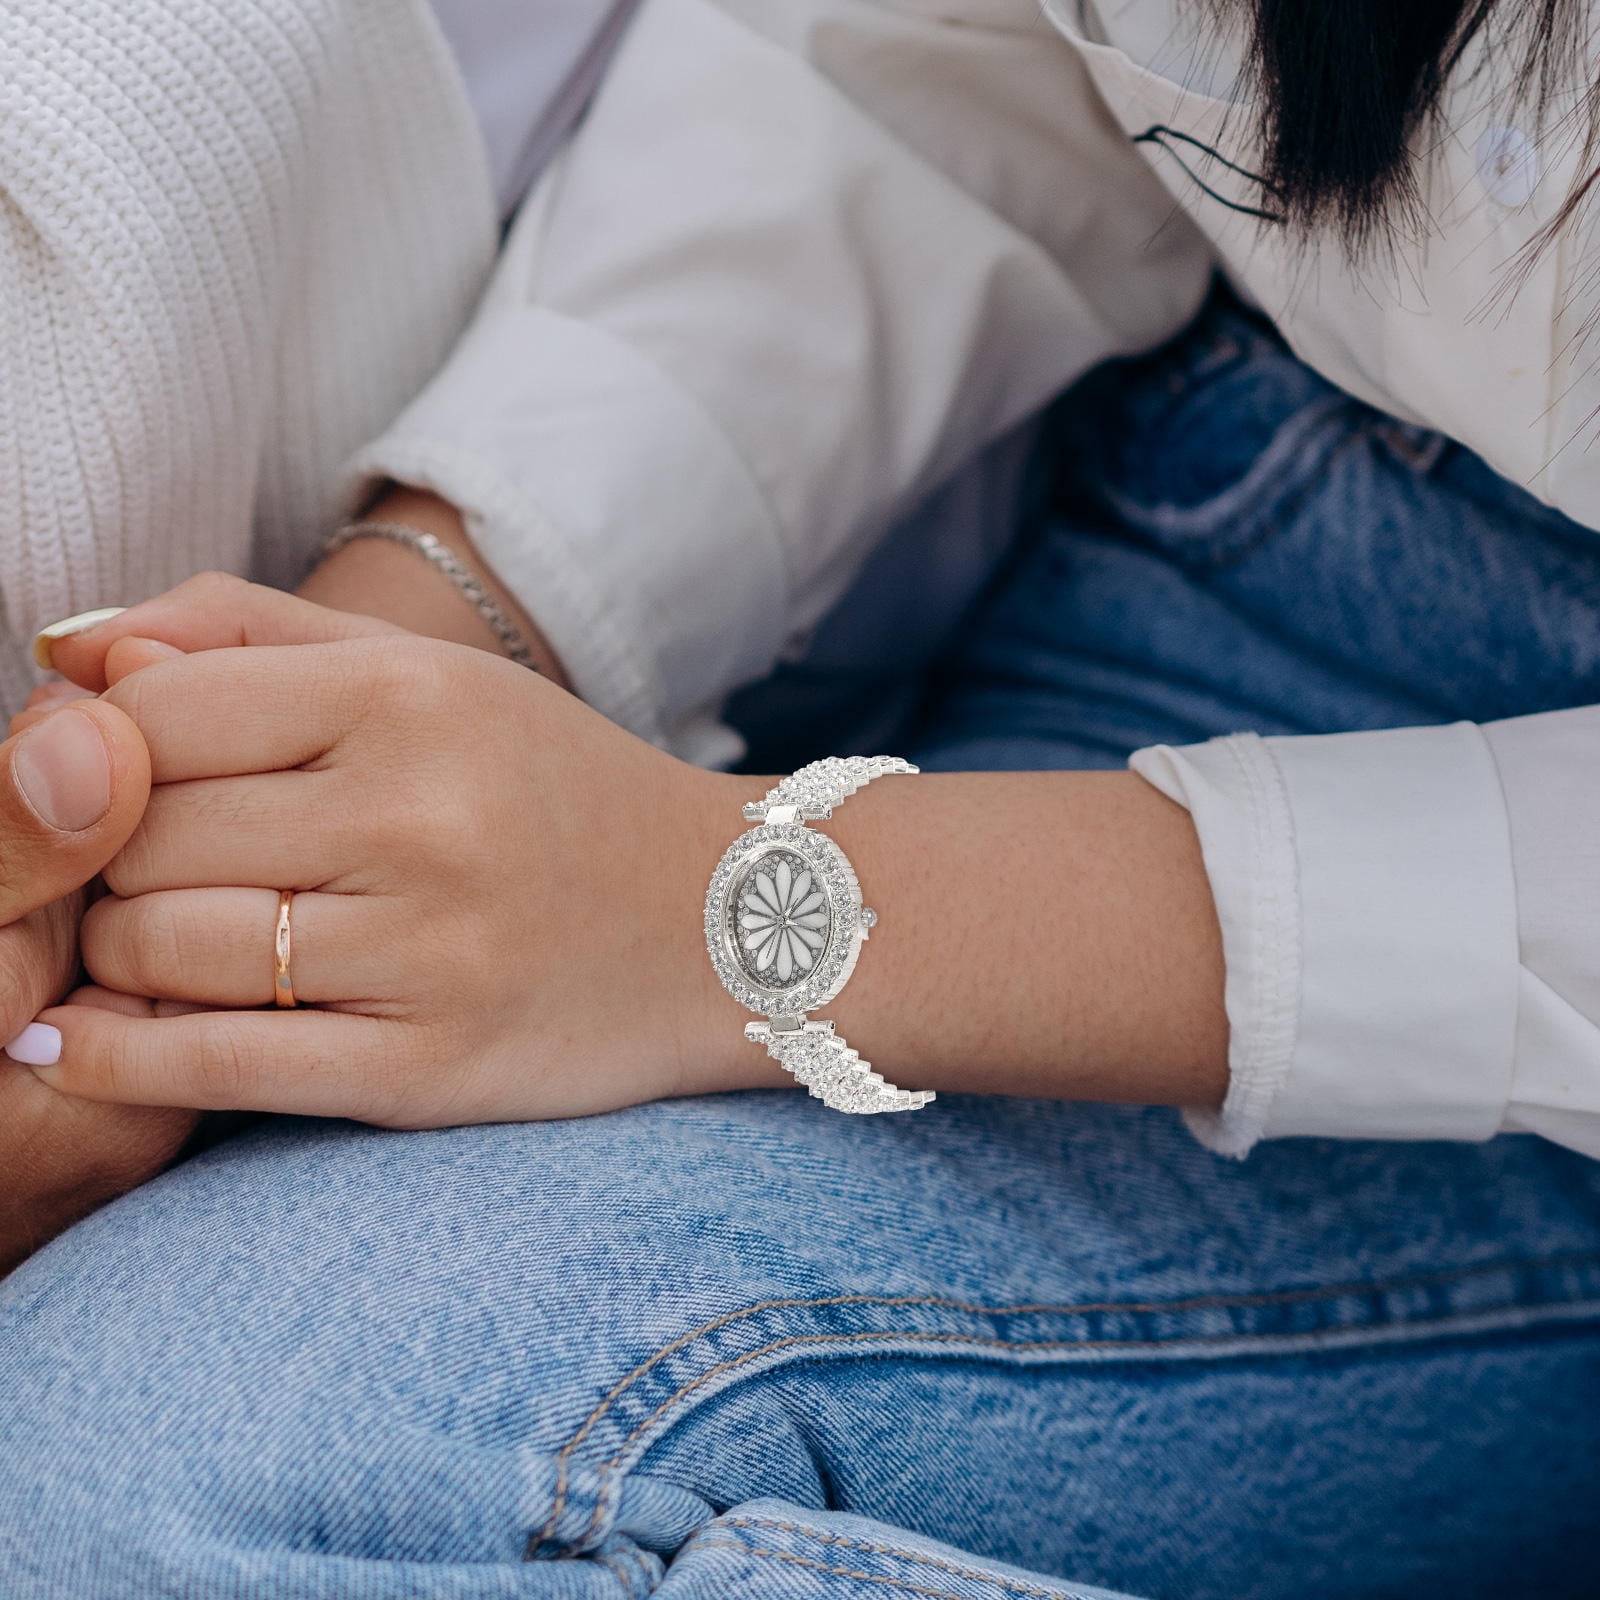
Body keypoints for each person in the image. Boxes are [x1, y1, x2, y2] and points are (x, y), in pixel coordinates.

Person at [1, 0, 1598, 1596]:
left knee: (163, 1507)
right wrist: (366, 693)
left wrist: (733, 906)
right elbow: (942, 58)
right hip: (1210, 502)